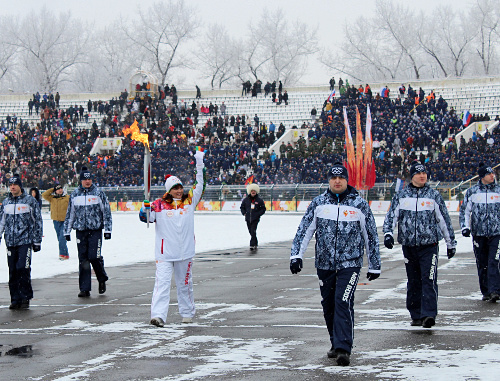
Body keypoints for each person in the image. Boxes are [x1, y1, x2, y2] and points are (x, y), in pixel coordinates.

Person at [290, 163, 381, 366]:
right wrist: (296, 255)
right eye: (333, 178)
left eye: (341, 178)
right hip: (324, 263)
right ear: (329, 180)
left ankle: (343, 348)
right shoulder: (318, 203)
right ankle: (335, 341)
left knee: (343, 301)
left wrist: (374, 264)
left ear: (347, 180)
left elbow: (371, 236)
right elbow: (304, 230)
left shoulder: (359, 205)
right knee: (329, 304)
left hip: (350, 263)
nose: (337, 181)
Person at [383, 161, 456, 328]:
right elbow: (391, 217)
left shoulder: (433, 196)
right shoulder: (401, 196)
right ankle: (416, 314)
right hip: (409, 246)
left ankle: (428, 314)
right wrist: (388, 234)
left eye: (424, 173)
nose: (422, 176)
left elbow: (444, 220)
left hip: (429, 245)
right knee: (414, 281)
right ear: (412, 176)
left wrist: (450, 243)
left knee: (428, 279)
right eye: (418, 173)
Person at [140, 149, 206, 327]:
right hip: (164, 254)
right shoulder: (158, 205)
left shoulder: (189, 201)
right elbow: (146, 218)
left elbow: (200, 184)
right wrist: (144, 210)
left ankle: (187, 313)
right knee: (162, 285)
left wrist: (199, 164)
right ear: (168, 190)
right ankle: (158, 316)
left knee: (185, 286)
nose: (179, 190)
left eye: (180, 187)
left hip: (185, 252)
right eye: (175, 188)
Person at [63, 167, 112, 297]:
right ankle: (85, 288)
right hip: (80, 231)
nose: (87, 181)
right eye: (85, 179)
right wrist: (67, 231)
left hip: (95, 230)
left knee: (94, 257)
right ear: (81, 180)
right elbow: (70, 214)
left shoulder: (98, 193)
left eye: (89, 179)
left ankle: (101, 278)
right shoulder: (74, 194)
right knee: (83, 260)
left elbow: (106, 211)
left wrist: (108, 229)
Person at [0, 175, 43, 310]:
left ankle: (25, 296)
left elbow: (37, 221)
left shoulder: (30, 201)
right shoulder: (6, 202)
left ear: (20, 186)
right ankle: (15, 298)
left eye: (15, 185)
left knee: (22, 268)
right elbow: (1, 222)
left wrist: (37, 241)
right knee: (12, 270)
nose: (12, 187)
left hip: (25, 241)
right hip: (10, 242)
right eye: (10, 185)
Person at [459, 163, 500, 302]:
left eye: (492, 173)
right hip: (479, 233)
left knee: (494, 261)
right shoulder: (472, 192)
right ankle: (486, 291)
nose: (492, 176)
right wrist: (465, 227)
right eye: (489, 174)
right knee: (482, 263)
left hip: (496, 233)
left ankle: (495, 290)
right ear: (482, 176)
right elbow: (465, 211)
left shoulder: (498, 190)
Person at [42, 184, 70, 260]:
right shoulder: (52, 198)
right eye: (58, 189)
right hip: (56, 221)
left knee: (62, 238)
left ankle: (62, 254)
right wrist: (52, 189)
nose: (60, 190)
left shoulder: (67, 197)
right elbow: (44, 194)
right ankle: (66, 253)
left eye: (61, 188)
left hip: (65, 221)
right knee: (60, 238)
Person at [240, 183, 266, 250]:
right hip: (248, 218)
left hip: (255, 219)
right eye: (252, 191)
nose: (253, 192)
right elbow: (242, 207)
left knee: (253, 230)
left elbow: (263, 209)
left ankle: (252, 244)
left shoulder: (259, 200)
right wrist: (244, 213)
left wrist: (258, 214)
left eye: (254, 191)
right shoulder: (246, 200)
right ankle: (255, 242)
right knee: (251, 231)